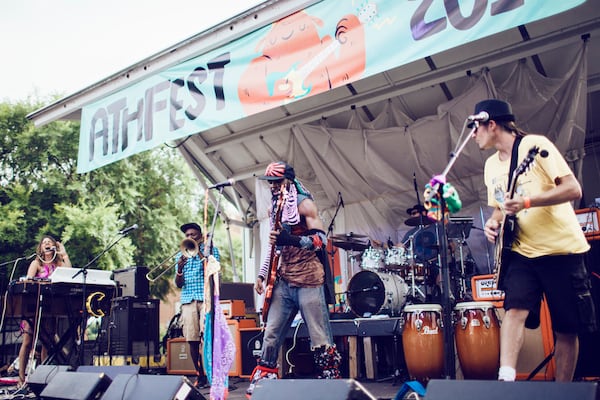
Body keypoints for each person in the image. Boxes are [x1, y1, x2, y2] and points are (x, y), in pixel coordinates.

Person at [474, 98, 596, 382]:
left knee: (566, 327)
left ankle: (563, 391)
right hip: (521, 251)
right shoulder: (491, 166)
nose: (474, 134)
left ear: (492, 124)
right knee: (513, 309)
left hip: (560, 250)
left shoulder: (535, 146)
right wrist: (493, 223)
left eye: (476, 127)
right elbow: (499, 207)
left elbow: (572, 188)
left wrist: (528, 201)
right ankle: (506, 381)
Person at [247, 161, 340, 397]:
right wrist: (261, 275)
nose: (273, 187)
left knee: (319, 337)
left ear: (288, 181)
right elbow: (272, 246)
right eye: (270, 183)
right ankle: (263, 386)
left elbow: (321, 240)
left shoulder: (305, 204)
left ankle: (331, 388)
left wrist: (295, 240)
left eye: (277, 182)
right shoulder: (273, 208)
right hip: (283, 279)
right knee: (271, 334)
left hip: (309, 279)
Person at [18, 235, 71, 388]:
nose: (47, 244)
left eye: (50, 242)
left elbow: (69, 272)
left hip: (51, 308)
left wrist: (64, 254)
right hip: (34, 306)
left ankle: (42, 377)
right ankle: (21, 378)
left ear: (54, 246)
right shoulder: (37, 263)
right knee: (28, 341)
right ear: (41, 248)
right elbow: (28, 281)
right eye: (44, 243)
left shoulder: (59, 263)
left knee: (47, 343)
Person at [174, 222, 220, 388]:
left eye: (193, 235)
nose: (189, 238)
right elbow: (178, 284)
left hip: (205, 298)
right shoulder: (180, 256)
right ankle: (200, 376)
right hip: (188, 300)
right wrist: (179, 269)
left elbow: (213, 271)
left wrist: (199, 251)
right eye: (187, 235)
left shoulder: (211, 251)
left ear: (200, 236)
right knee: (192, 339)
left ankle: (215, 376)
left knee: (207, 337)